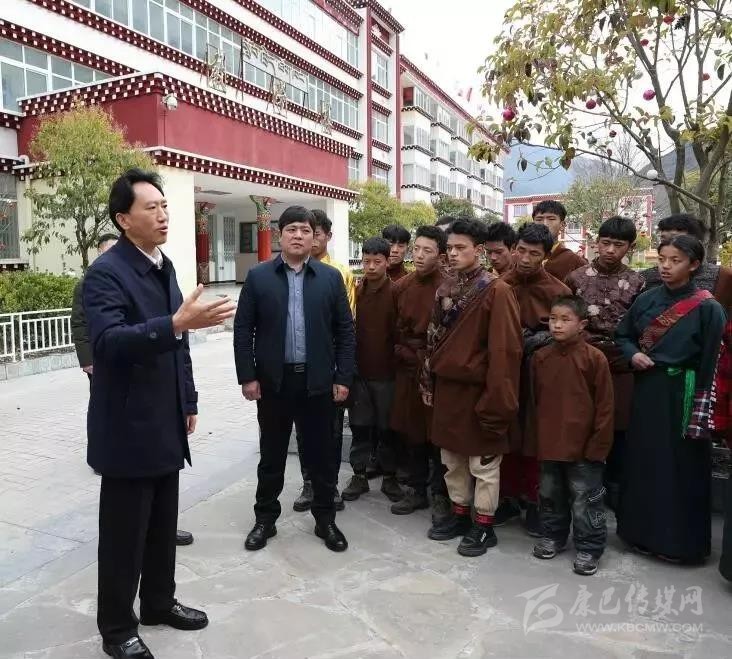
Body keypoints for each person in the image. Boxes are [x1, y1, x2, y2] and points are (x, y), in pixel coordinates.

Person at [84, 169, 235, 659]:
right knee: (124, 535)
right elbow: (108, 344)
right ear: (123, 219)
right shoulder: (107, 273)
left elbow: (179, 342)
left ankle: (158, 602)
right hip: (127, 425)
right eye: (151, 207)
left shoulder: (163, 265)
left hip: (165, 417)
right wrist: (172, 324)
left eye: (164, 205)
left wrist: (187, 399)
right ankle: (116, 629)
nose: (163, 214)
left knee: (162, 524)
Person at [234, 206, 355, 553]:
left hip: (318, 382)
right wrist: (248, 376)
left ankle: (325, 519)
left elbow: (345, 332)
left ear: (314, 236)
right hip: (274, 383)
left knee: (322, 456)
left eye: (305, 230)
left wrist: (343, 377)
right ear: (280, 234)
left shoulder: (330, 278)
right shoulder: (258, 277)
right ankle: (265, 519)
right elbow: (243, 330)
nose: (298, 236)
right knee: (271, 455)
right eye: (291, 230)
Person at [616, 235, 726, 563]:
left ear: (694, 265)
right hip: (649, 389)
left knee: (682, 466)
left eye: (675, 260)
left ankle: (680, 545)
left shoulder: (708, 308)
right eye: (662, 258)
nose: (665, 266)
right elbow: (623, 335)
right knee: (644, 459)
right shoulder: (646, 299)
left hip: (686, 393)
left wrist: (703, 409)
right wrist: (633, 354)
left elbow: (713, 362)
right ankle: (638, 534)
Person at [420, 219, 523, 557]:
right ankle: (460, 515)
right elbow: (432, 340)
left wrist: (498, 399)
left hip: (481, 390)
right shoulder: (445, 288)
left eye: (460, 247)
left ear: (478, 250)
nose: (452, 253)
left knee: (483, 464)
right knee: (452, 460)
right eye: (449, 248)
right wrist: (428, 381)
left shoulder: (497, 290)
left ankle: (484, 525)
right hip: (449, 390)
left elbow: (505, 351)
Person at [565, 216, 645, 511]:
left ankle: (616, 494)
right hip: (580, 366)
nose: (611, 250)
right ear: (596, 242)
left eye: (618, 245)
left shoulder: (638, 282)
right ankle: (578, 491)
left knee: (619, 431)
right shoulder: (575, 278)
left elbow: (641, 329)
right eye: (606, 243)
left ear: (630, 247)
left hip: (621, 367)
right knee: (580, 427)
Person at [531, 296, 614, 576]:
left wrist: (598, 445)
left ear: (582, 324)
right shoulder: (541, 358)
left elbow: (605, 407)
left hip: (583, 445)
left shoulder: (594, 358)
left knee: (586, 499)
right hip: (549, 441)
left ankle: (589, 547)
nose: (557, 325)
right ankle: (552, 536)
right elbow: (534, 402)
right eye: (553, 319)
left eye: (565, 320)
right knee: (549, 494)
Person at [498, 223, 571, 536]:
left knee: (536, 437)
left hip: (541, 375)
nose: (526, 259)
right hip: (504, 371)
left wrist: (538, 339)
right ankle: (505, 497)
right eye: (521, 251)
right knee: (505, 433)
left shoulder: (558, 291)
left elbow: (567, 335)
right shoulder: (499, 285)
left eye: (534, 254)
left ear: (546, 256)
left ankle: (534, 500)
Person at [292, 208, 356, 514]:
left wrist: (341, 373)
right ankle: (308, 483)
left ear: (326, 236)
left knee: (330, 431)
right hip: (297, 368)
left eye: (315, 233)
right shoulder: (292, 272)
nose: (310, 239)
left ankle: (329, 487)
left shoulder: (340, 274)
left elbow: (347, 327)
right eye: (305, 232)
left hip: (328, 367)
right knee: (303, 430)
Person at [389, 226, 450, 521]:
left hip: (436, 368)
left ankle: (440, 493)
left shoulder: (449, 287)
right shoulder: (402, 286)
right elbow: (393, 327)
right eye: (417, 249)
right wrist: (402, 352)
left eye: (428, 250)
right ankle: (415, 489)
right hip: (407, 364)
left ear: (440, 255)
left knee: (436, 433)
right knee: (411, 430)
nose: (420, 256)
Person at [341, 237, 402, 503]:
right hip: (360, 373)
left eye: (377, 261)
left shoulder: (397, 292)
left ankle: (390, 476)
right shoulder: (355, 291)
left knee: (387, 428)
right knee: (360, 426)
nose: (371, 267)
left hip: (388, 373)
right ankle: (359, 475)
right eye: (367, 261)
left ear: (388, 262)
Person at [71, 233, 118, 383]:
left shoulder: (124, 280)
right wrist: (87, 360)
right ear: (100, 252)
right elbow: (79, 323)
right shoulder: (86, 283)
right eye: (111, 250)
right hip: (99, 357)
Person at [532, 200, 586, 281]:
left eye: (551, 219)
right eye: (539, 219)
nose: (544, 224)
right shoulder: (519, 257)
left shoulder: (575, 262)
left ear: (562, 225)